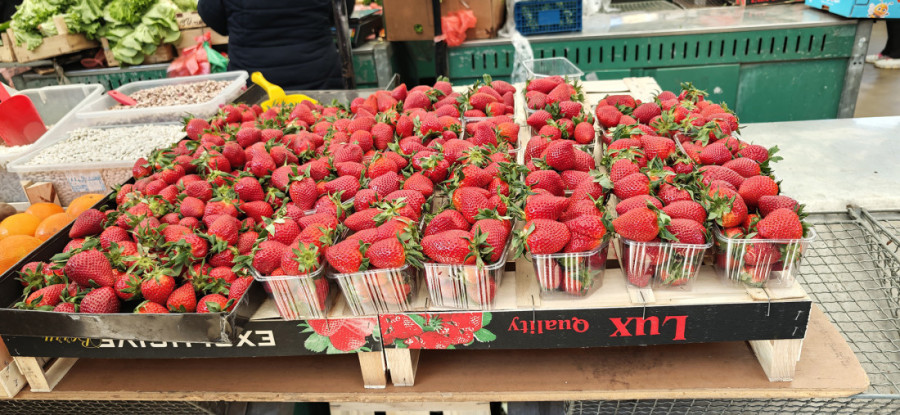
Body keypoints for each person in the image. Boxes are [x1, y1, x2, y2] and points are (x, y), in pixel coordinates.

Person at [198, 0, 353, 90]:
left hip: (254, 82)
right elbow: (342, 11)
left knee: (255, 141)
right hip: (318, 75)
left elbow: (211, 14)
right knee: (328, 137)